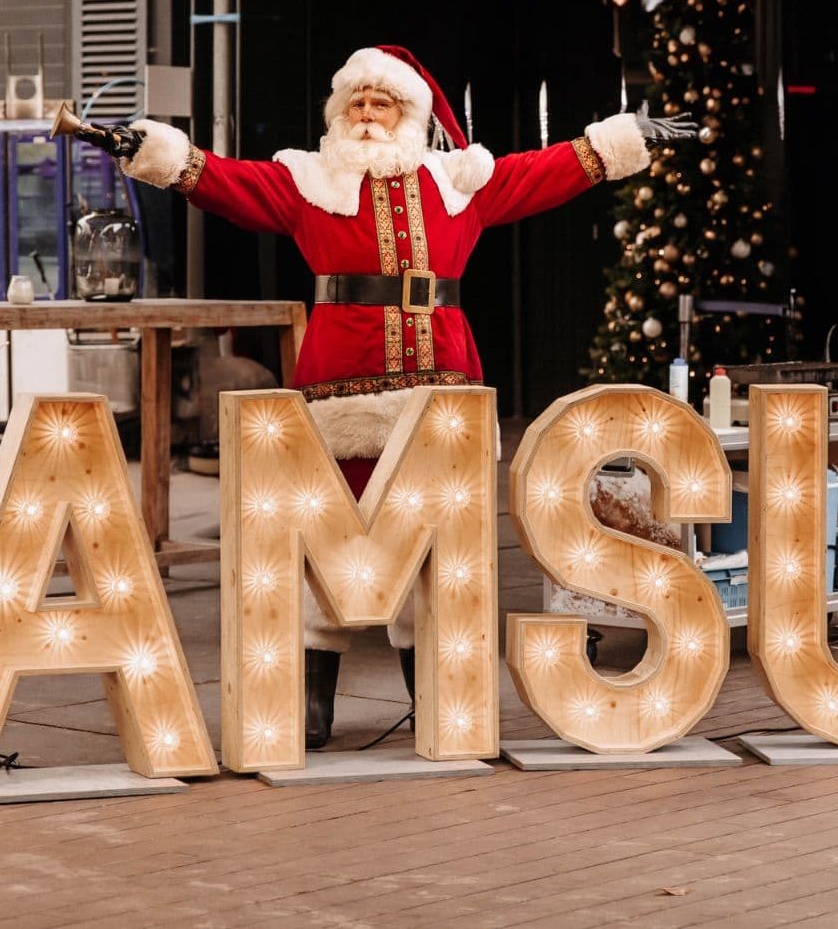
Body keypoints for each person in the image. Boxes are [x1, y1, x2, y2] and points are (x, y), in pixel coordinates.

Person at [73, 45, 692, 747]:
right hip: (340, 384)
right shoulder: (308, 180)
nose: (368, 114)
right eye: (357, 102)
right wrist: (151, 150)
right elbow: (222, 179)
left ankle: (434, 690)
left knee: (433, 541)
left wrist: (620, 141)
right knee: (327, 531)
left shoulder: (457, 181)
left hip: (441, 387)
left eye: (383, 103)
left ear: (411, 115)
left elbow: (541, 172)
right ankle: (313, 693)